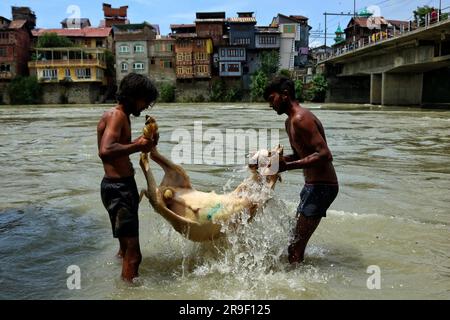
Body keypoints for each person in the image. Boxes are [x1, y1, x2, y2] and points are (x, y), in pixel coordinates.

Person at [264, 76, 338, 264]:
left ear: (285, 95)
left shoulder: (301, 118)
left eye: (272, 99)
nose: (270, 105)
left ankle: (299, 287)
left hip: (322, 187)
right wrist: (272, 161)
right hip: (311, 186)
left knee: (294, 247)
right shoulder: (289, 123)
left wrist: (286, 166)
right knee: (293, 240)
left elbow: (324, 155)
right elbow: (300, 155)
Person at [97, 73, 159, 281]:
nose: (145, 107)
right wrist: (137, 145)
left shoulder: (116, 115)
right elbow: (106, 150)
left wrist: (145, 143)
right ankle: (128, 292)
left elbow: (119, 146)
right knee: (134, 255)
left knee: (125, 249)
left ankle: (117, 283)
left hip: (116, 187)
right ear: (134, 96)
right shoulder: (117, 115)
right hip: (119, 189)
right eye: (145, 101)